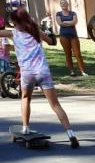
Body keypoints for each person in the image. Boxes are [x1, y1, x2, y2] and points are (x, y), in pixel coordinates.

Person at [0, 8, 79, 148]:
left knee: (26, 98)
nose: (12, 24)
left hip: (28, 73)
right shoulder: (36, 31)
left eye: (13, 22)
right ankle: (71, 134)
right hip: (43, 71)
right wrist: (48, 34)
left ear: (16, 22)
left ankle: (25, 127)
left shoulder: (13, 33)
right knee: (55, 105)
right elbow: (51, 41)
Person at [55, 0, 87, 77]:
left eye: (65, 3)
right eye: (61, 3)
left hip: (73, 36)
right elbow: (60, 23)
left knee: (77, 54)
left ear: (67, 4)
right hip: (63, 36)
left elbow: (74, 22)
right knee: (68, 54)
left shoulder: (72, 13)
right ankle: (72, 71)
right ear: (60, 5)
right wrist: (70, 23)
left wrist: (65, 22)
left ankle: (82, 71)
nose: (63, 4)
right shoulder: (58, 14)